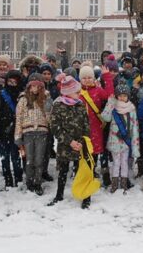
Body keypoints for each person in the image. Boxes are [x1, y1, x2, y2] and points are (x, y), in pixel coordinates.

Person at [48, 74, 92, 209]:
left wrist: (83, 141)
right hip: (65, 145)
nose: (80, 93)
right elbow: (55, 128)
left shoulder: (80, 105)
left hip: (80, 145)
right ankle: (59, 195)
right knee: (63, 171)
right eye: (77, 91)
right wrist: (70, 141)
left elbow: (86, 124)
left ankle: (85, 196)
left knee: (82, 171)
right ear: (67, 92)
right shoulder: (58, 105)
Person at [14, 73, 52, 196]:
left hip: (41, 132)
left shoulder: (46, 98)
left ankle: (37, 182)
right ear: (29, 86)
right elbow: (19, 118)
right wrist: (18, 136)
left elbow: (50, 119)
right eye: (33, 86)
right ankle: (29, 182)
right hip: (28, 132)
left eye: (38, 86)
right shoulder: (23, 99)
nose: (35, 89)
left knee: (39, 159)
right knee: (29, 159)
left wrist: (47, 109)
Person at [79, 63, 114, 184]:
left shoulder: (98, 90)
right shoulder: (77, 91)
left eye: (89, 77)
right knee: (83, 151)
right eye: (84, 78)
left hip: (96, 126)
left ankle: (93, 171)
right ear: (80, 79)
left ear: (93, 78)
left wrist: (107, 77)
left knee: (95, 150)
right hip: (81, 127)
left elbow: (110, 96)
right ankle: (85, 172)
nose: (87, 80)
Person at [102, 84, 140, 193]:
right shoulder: (113, 107)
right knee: (116, 162)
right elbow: (105, 117)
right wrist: (110, 103)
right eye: (120, 95)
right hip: (114, 141)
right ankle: (114, 183)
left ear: (128, 96)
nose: (122, 98)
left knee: (124, 162)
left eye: (124, 95)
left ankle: (123, 183)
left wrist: (135, 146)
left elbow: (135, 128)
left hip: (126, 141)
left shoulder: (131, 109)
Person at [0, 70, 24, 188]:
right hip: (2, 130)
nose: (12, 84)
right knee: (4, 158)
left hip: (16, 131)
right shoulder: (0, 94)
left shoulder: (21, 95)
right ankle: (7, 179)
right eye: (10, 81)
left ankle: (18, 178)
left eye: (15, 82)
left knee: (15, 157)